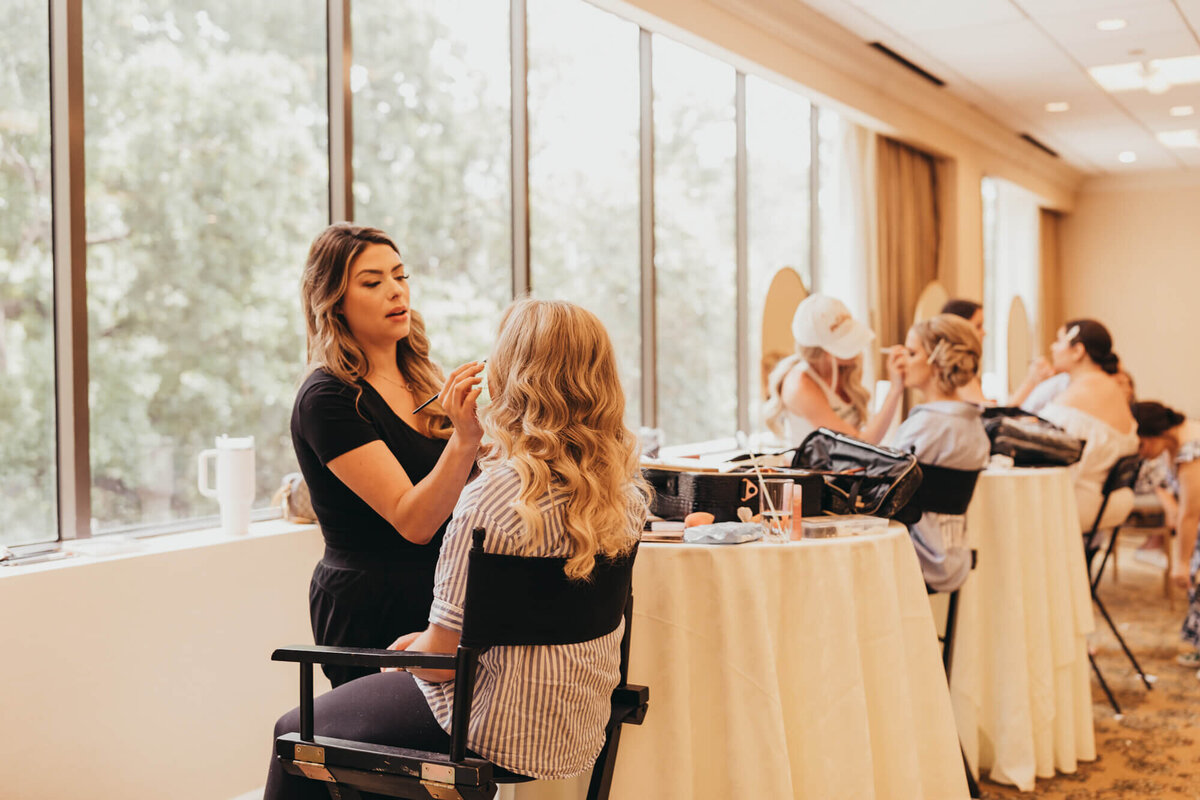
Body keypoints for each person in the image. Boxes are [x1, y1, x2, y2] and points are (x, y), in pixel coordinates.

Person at [265, 299, 651, 797]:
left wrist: (407, 654)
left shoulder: (492, 497)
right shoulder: (624, 492)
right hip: (576, 725)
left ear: (510, 377)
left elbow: (439, 657)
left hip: (488, 729)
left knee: (293, 731)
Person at [292, 223, 485, 688]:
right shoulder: (328, 398)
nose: (396, 292)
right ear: (334, 301)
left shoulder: (423, 378)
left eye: (401, 277)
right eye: (373, 282)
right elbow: (414, 521)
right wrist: (464, 441)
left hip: (443, 601)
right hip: (371, 607)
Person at [891, 314, 990, 592]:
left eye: (912, 353)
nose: (903, 361)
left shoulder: (926, 426)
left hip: (915, 559)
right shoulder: (974, 426)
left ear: (936, 361)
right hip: (953, 557)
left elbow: (884, 491)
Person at [765, 293, 905, 446]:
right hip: (811, 469)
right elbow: (859, 445)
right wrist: (895, 390)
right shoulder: (799, 385)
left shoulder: (845, 368)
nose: (857, 350)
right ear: (825, 353)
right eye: (848, 342)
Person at [1038, 320, 1138, 531]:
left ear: (1078, 351)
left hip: (1078, 503)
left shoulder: (1081, 393)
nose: (1052, 347)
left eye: (1059, 340)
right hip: (1109, 500)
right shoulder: (1110, 387)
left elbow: (1043, 446)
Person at [1131, 401, 1200, 670]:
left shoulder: (1191, 452)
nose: (1141, 453)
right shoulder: (1178, 442)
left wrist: (1180, 563)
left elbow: (1190, 515)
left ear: (1153, 434)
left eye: (1141, 445)